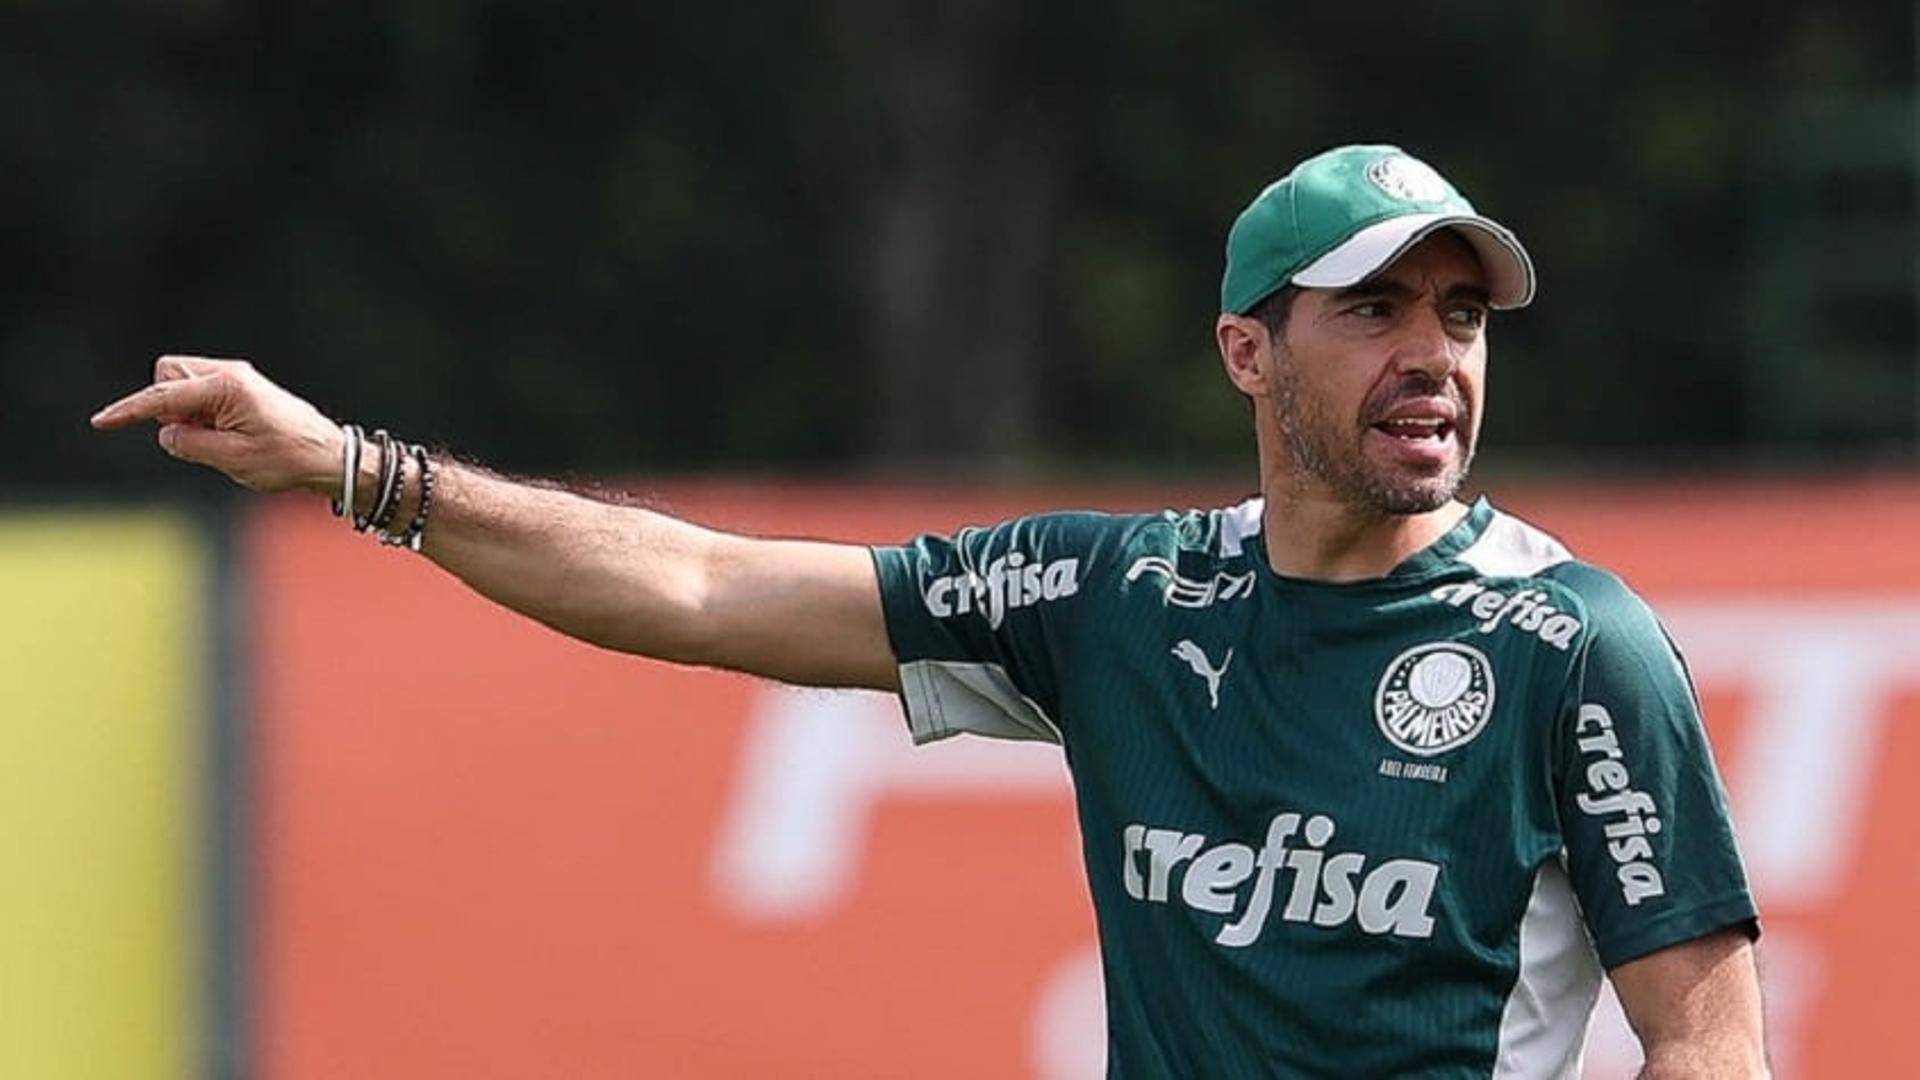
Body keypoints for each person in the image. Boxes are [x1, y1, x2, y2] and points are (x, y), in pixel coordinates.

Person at [92, 144, 1766, 1078]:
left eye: (1464, 315)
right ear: (1248, 351)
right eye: (1378, 307)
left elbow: (1706, 1047)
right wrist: (353, 469)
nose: (1437, 354)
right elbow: (699, 585)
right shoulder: (1119, 597)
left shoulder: (1578, 648)